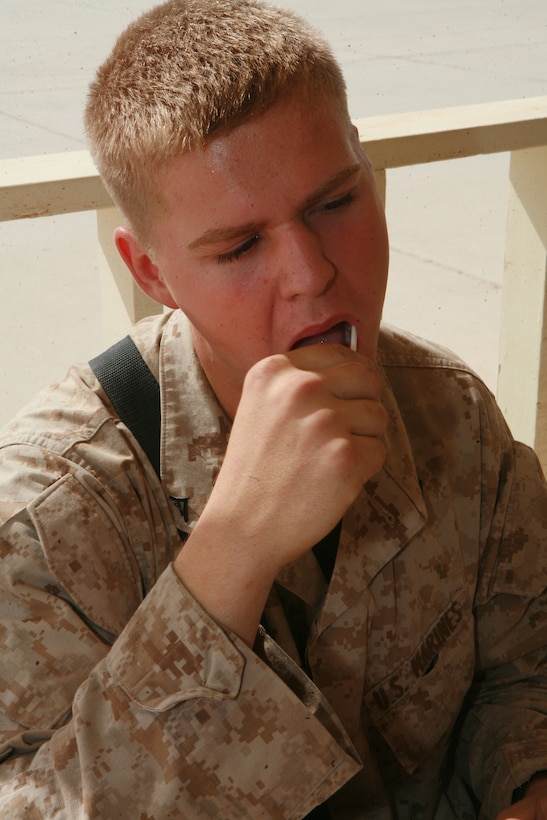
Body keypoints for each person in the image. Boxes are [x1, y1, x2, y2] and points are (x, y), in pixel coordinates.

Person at [0, 0, 546, 816]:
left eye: (334, 203)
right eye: (239, 247)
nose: (312, 273)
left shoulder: (449, 412)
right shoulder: (51, 519)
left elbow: (524, 672)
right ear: (151, 274)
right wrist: (233, 551)